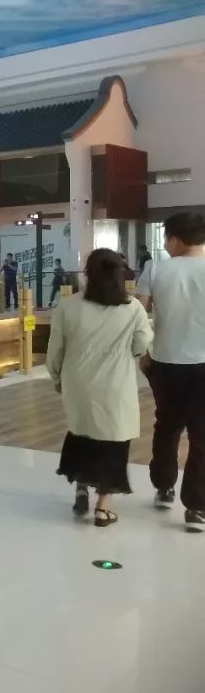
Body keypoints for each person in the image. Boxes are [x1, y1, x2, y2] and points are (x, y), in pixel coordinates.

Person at [47, 249, 153, 527]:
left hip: (78, 383)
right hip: (115, 385)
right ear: (120, 274)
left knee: (82, 433)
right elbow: (142, 345)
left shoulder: (68, 306)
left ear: (88, 274)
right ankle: (102, 508)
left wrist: (57, 378)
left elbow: (55, 351)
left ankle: (81, 489)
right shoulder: (133, 308)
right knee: (113, 443)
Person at [138, 213, 205, 532]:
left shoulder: (156, 268)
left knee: (166, 425)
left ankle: (164, 486)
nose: (165, 246)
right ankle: (197, 507)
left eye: (166, 239)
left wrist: (143, 352)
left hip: (164, 361)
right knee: (202, 435)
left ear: (175, 239)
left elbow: (137, 313)